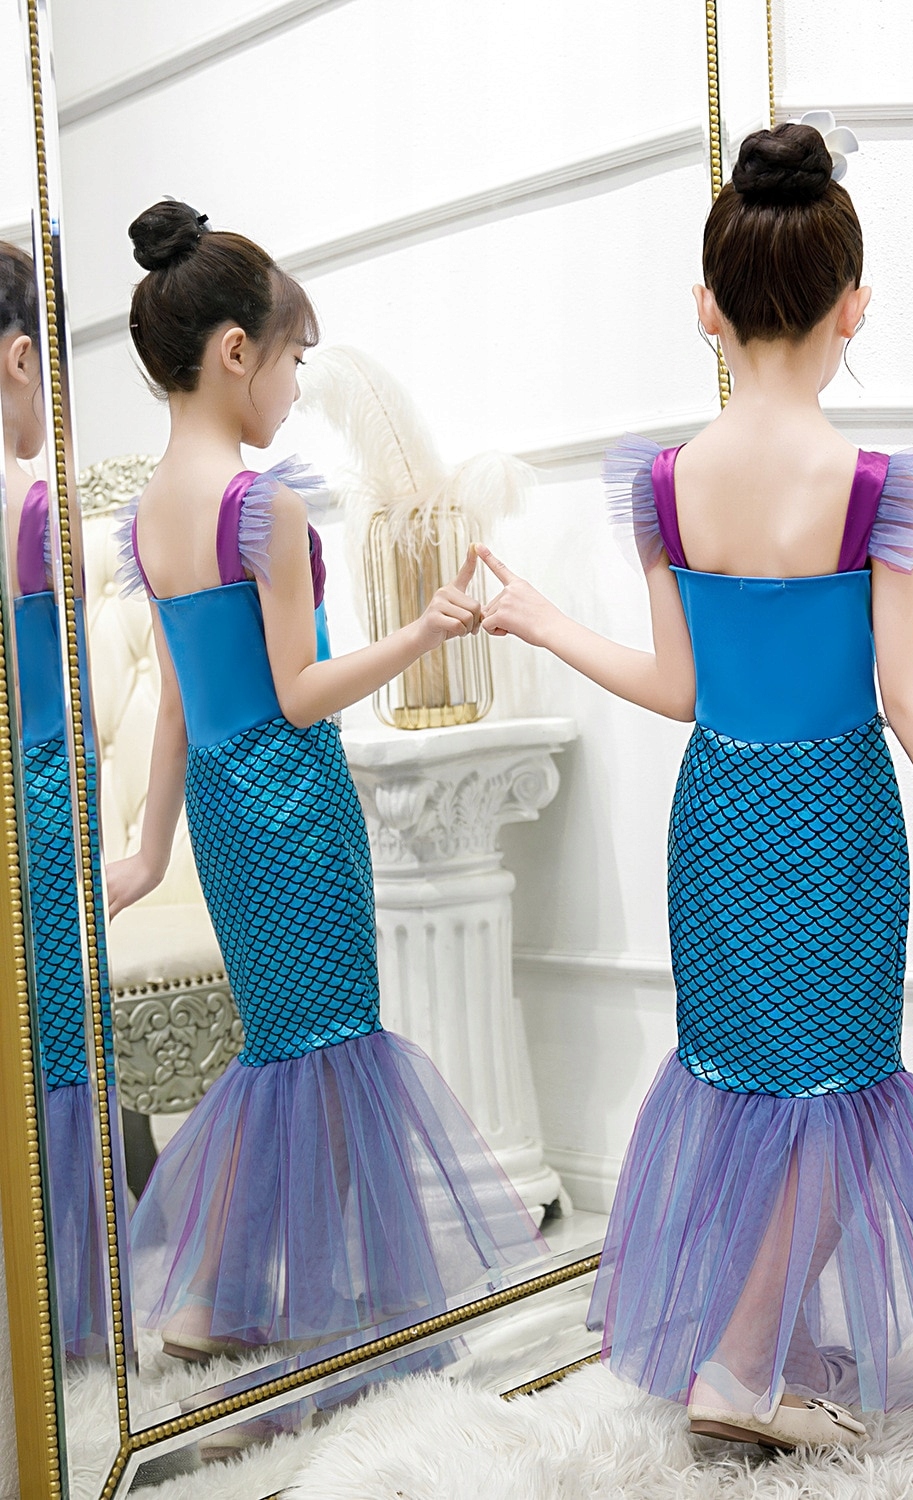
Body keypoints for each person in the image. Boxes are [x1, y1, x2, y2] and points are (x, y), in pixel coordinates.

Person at [473, 123, 913, 1450]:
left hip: (717, 820)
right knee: (840, 1090)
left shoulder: (664, 484)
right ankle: (745, 1366)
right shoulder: (872, 489)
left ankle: (753, 1348)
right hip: (836, 824)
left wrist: (543, 621)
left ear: (706, 306)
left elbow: (676, 688)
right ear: (852, 306)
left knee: (755, 1083)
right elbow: (909, 700)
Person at [109, 200, 545, 1362]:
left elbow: (183, 705)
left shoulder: (149, 517)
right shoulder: (262, 505)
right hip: (293, 804)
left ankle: (221, 1302)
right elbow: (299, 694)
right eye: (292, 358)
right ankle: (267, 1309)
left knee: (288, 1051)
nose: (297, 387)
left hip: (222, 811)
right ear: (234, 353)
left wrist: (151, 849)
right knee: (331, 1045)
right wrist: (424, 630)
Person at [2, 241, 112, 1360]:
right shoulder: (39, 510)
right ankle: (66, 1306)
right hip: (39, 792)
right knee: (60, 1041)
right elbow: (69, 694)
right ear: (22, 360)